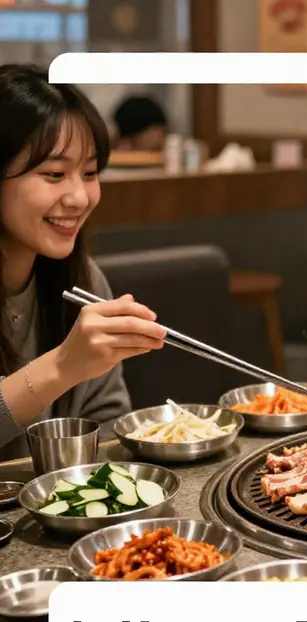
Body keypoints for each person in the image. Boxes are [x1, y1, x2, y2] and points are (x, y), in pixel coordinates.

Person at [0, 65, 166, 462]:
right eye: (54, 173)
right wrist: (63, 365)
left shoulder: (84, 280)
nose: (79, 196)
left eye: (90, 172)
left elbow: (108, 425)